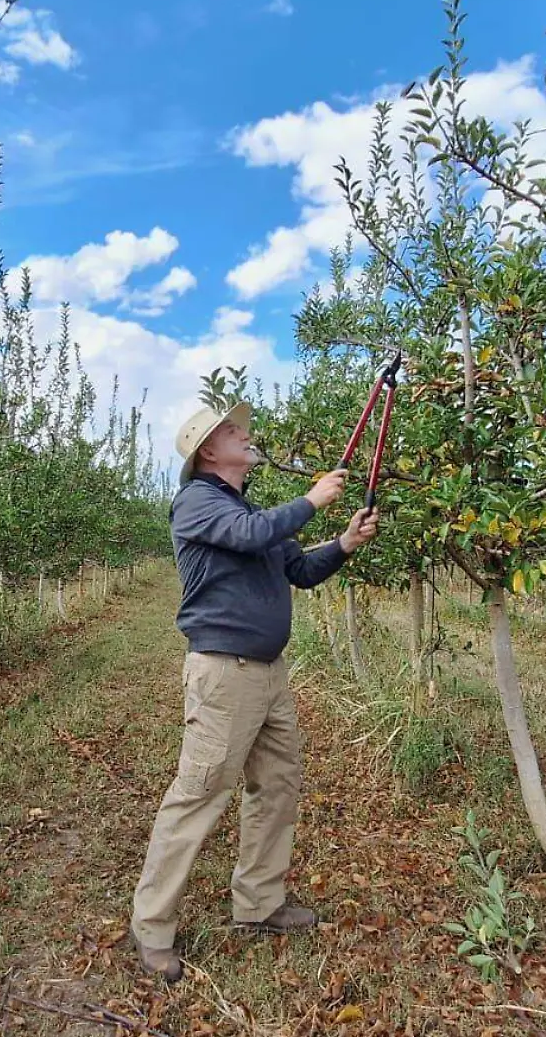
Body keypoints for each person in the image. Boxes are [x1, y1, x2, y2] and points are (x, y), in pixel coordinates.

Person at [129, 400, 380, 982]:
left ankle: (260, 904)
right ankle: (152, 927)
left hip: (268, 674)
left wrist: (342, 543)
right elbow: (250, 535)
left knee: (277, 785)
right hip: (224, 674)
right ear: (208, 452)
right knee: (197, 795)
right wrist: (312, 500)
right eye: (231, 430)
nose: (245, 434)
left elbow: (301, 571)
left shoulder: (254, 513)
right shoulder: (198, 503)